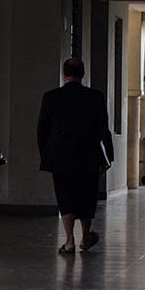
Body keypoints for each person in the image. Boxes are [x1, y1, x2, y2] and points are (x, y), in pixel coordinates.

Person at [37, 58, 114, 254]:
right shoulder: (95, 97)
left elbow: (42, 130)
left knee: (65, 196)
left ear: (64, 74)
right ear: (83, 74)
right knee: (87, 196)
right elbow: (103, 129)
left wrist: (46, 154)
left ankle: (69, 240)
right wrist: (108, 156)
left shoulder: (51, 97)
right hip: (88, 156)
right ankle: (86, 236)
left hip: (60, 156)